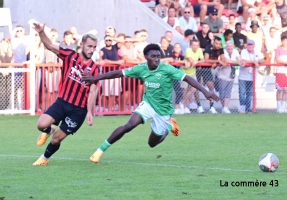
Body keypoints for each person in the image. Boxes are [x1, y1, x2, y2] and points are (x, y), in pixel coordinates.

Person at [82, 43, 219, 163]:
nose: (157, 59)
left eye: (158, 56)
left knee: (152, 143)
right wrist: (95, 78)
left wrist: (205, 91)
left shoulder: (166, 68)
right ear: (146, 57)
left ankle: (169, 127)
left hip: (164, 110)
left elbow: (187, 78)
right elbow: (118, 73)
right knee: (129, 125)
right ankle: (100, 151)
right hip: (148, 104)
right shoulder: (141, 68)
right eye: (153, 56)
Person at [31, 22, 100, 166]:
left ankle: (44, 158)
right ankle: (48, 130)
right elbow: (49, 46)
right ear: (82, 45)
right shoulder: (70, 55)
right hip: (62, 102)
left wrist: (89, 112)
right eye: (89, 46)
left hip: (78, 110)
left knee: (56, 139)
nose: (91, 49)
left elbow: (93, 91)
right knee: (41, 125)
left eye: (94, 47)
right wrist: (41, 32)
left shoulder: (94, 69)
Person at [239, 40, 265, 113]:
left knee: (249, 92)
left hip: (252, 76)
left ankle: (248, 108)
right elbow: (243, 60)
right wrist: (254, 61)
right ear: (246, 45)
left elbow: (263, 60)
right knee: (242, 92)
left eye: (251, 45)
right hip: (243, 76)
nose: (250, 46)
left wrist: (257, 61)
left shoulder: (257, 51)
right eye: (249, 45)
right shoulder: (244, 51)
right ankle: (242, 109)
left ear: (254, 45)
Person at [275, 36, 287, 113]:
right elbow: (277, 60)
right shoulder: (278, 50)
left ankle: (284, 106)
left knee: (285, 90)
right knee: (279, 90)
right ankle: (278, 106)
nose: (285, 42)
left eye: (286, 40)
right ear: (281, 41)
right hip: (280, 71)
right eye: (283, 40)